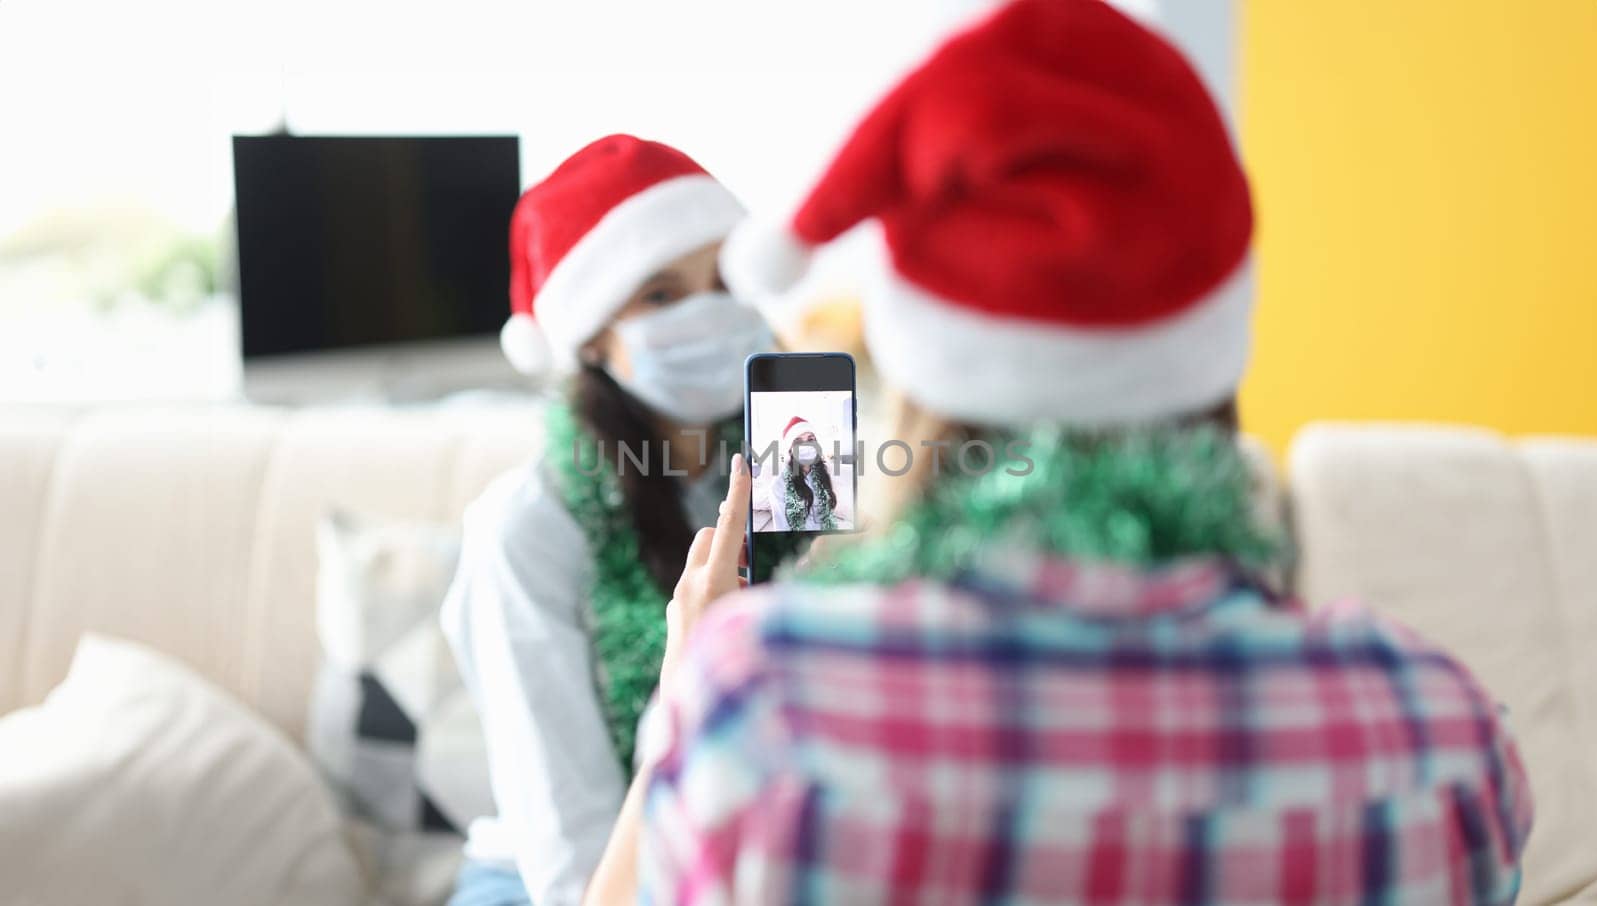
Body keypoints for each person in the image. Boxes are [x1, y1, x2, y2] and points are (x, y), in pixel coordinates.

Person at [585, 2, 1534, 903]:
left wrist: (688, 685)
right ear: (1209, 363)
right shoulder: (1435, 733)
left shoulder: (758, 704)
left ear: (919, 388)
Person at [439, 134, 777, 906]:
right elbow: (577, 881)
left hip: (727, 852)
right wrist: (693, 670)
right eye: (661, 294)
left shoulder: (783, 472)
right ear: (590, 333)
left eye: (725, 278)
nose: (712, 313)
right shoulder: (525, 531)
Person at [768, 416, 841, 531]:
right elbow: (782, 529)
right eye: (798, 442)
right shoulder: (778, 485)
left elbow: (829, 512)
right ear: (790, 450)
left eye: (810, 439)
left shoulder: (824, 473)